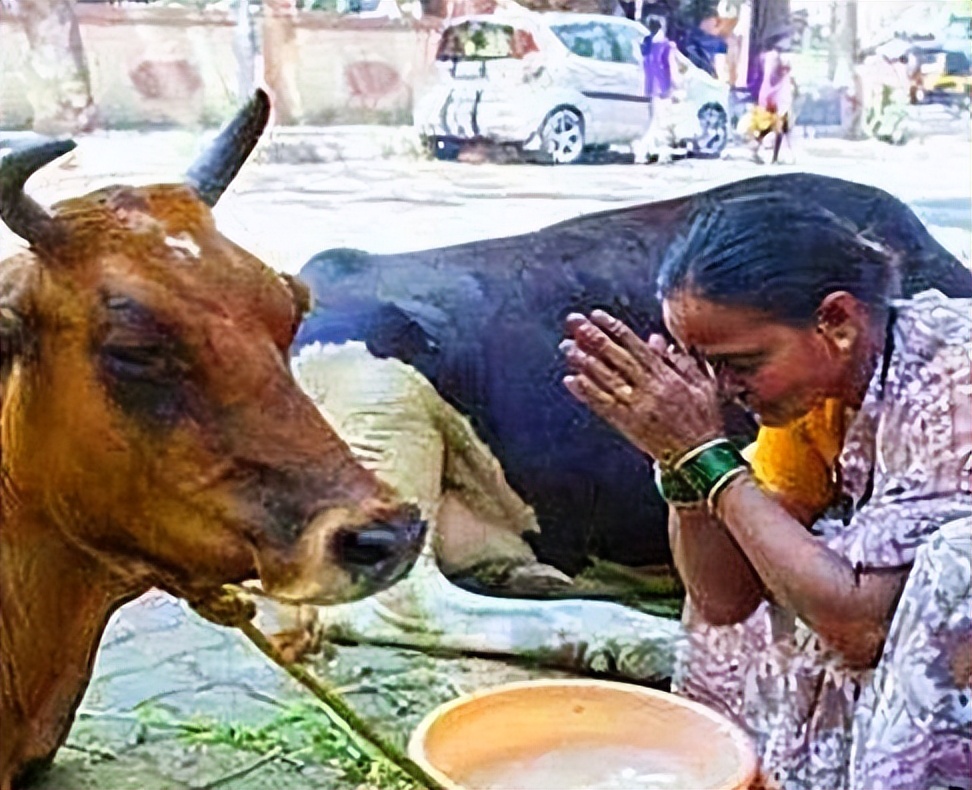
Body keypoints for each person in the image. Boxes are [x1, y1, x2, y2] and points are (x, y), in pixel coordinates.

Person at [560, 192, 971, 789]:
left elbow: (860, 628)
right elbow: (727, 603)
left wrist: (711, 461)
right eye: (704, 366)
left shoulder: (953, 380)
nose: (723, 390)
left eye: (741, 363)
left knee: (954, 561)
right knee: (771, 538)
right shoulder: (820, 393)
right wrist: (682, 465)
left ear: (837, 322)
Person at [632, 17, 693, 164]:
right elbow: (673, 68)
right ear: (661, 27)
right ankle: (654, 152)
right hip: (664, 88)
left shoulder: (646, 45)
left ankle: (645, 152)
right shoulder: (667, 46)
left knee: (655, 122)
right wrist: (678, 85)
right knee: (662, 123)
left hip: (650, 87)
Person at [750, 38, 795, 164]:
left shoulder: (763, 57)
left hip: (766, 94)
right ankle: (774, 157)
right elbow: (780, 74)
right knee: (779, 127)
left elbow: (760, 74)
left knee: (766, 126)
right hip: (778, 95)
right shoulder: (777, 58)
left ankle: (757, 150)